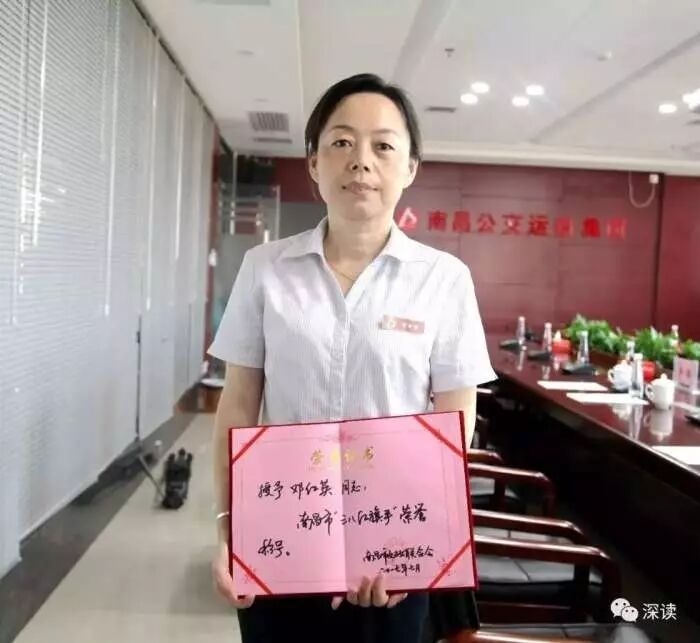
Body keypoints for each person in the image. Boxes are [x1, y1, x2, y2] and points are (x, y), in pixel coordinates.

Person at [209, 73, 496, 643]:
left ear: (410, 168)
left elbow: (455, 421)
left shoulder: (444, 280)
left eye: (383, 145)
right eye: (341, 141)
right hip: (282, 539)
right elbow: (237, 405)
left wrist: (417, 547)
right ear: (314, 163)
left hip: (391, 551)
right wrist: (228, 528)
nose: (361, 160)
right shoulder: (265, 270)